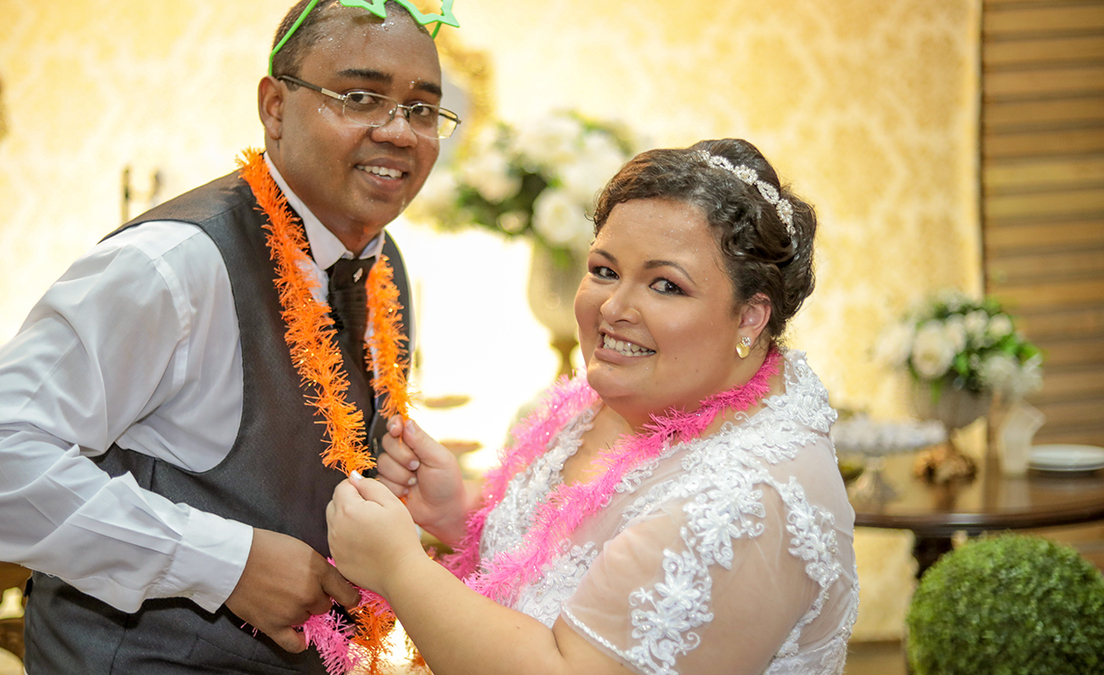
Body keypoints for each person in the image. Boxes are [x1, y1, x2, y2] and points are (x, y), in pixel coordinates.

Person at [0, 1, 459, 672]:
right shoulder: (173, 264)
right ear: (275, 107)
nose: (400, 133)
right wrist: (223, 563)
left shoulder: (385, 265)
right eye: (360, 96)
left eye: (423, 110)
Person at [327, 138, 859, 674]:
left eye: (666, 285)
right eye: (605, 270)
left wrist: (401, 569)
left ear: (750, 316)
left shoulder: (746, 502)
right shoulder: (622, 396)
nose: (614, 307)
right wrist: (460, 515)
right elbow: (566, 555)